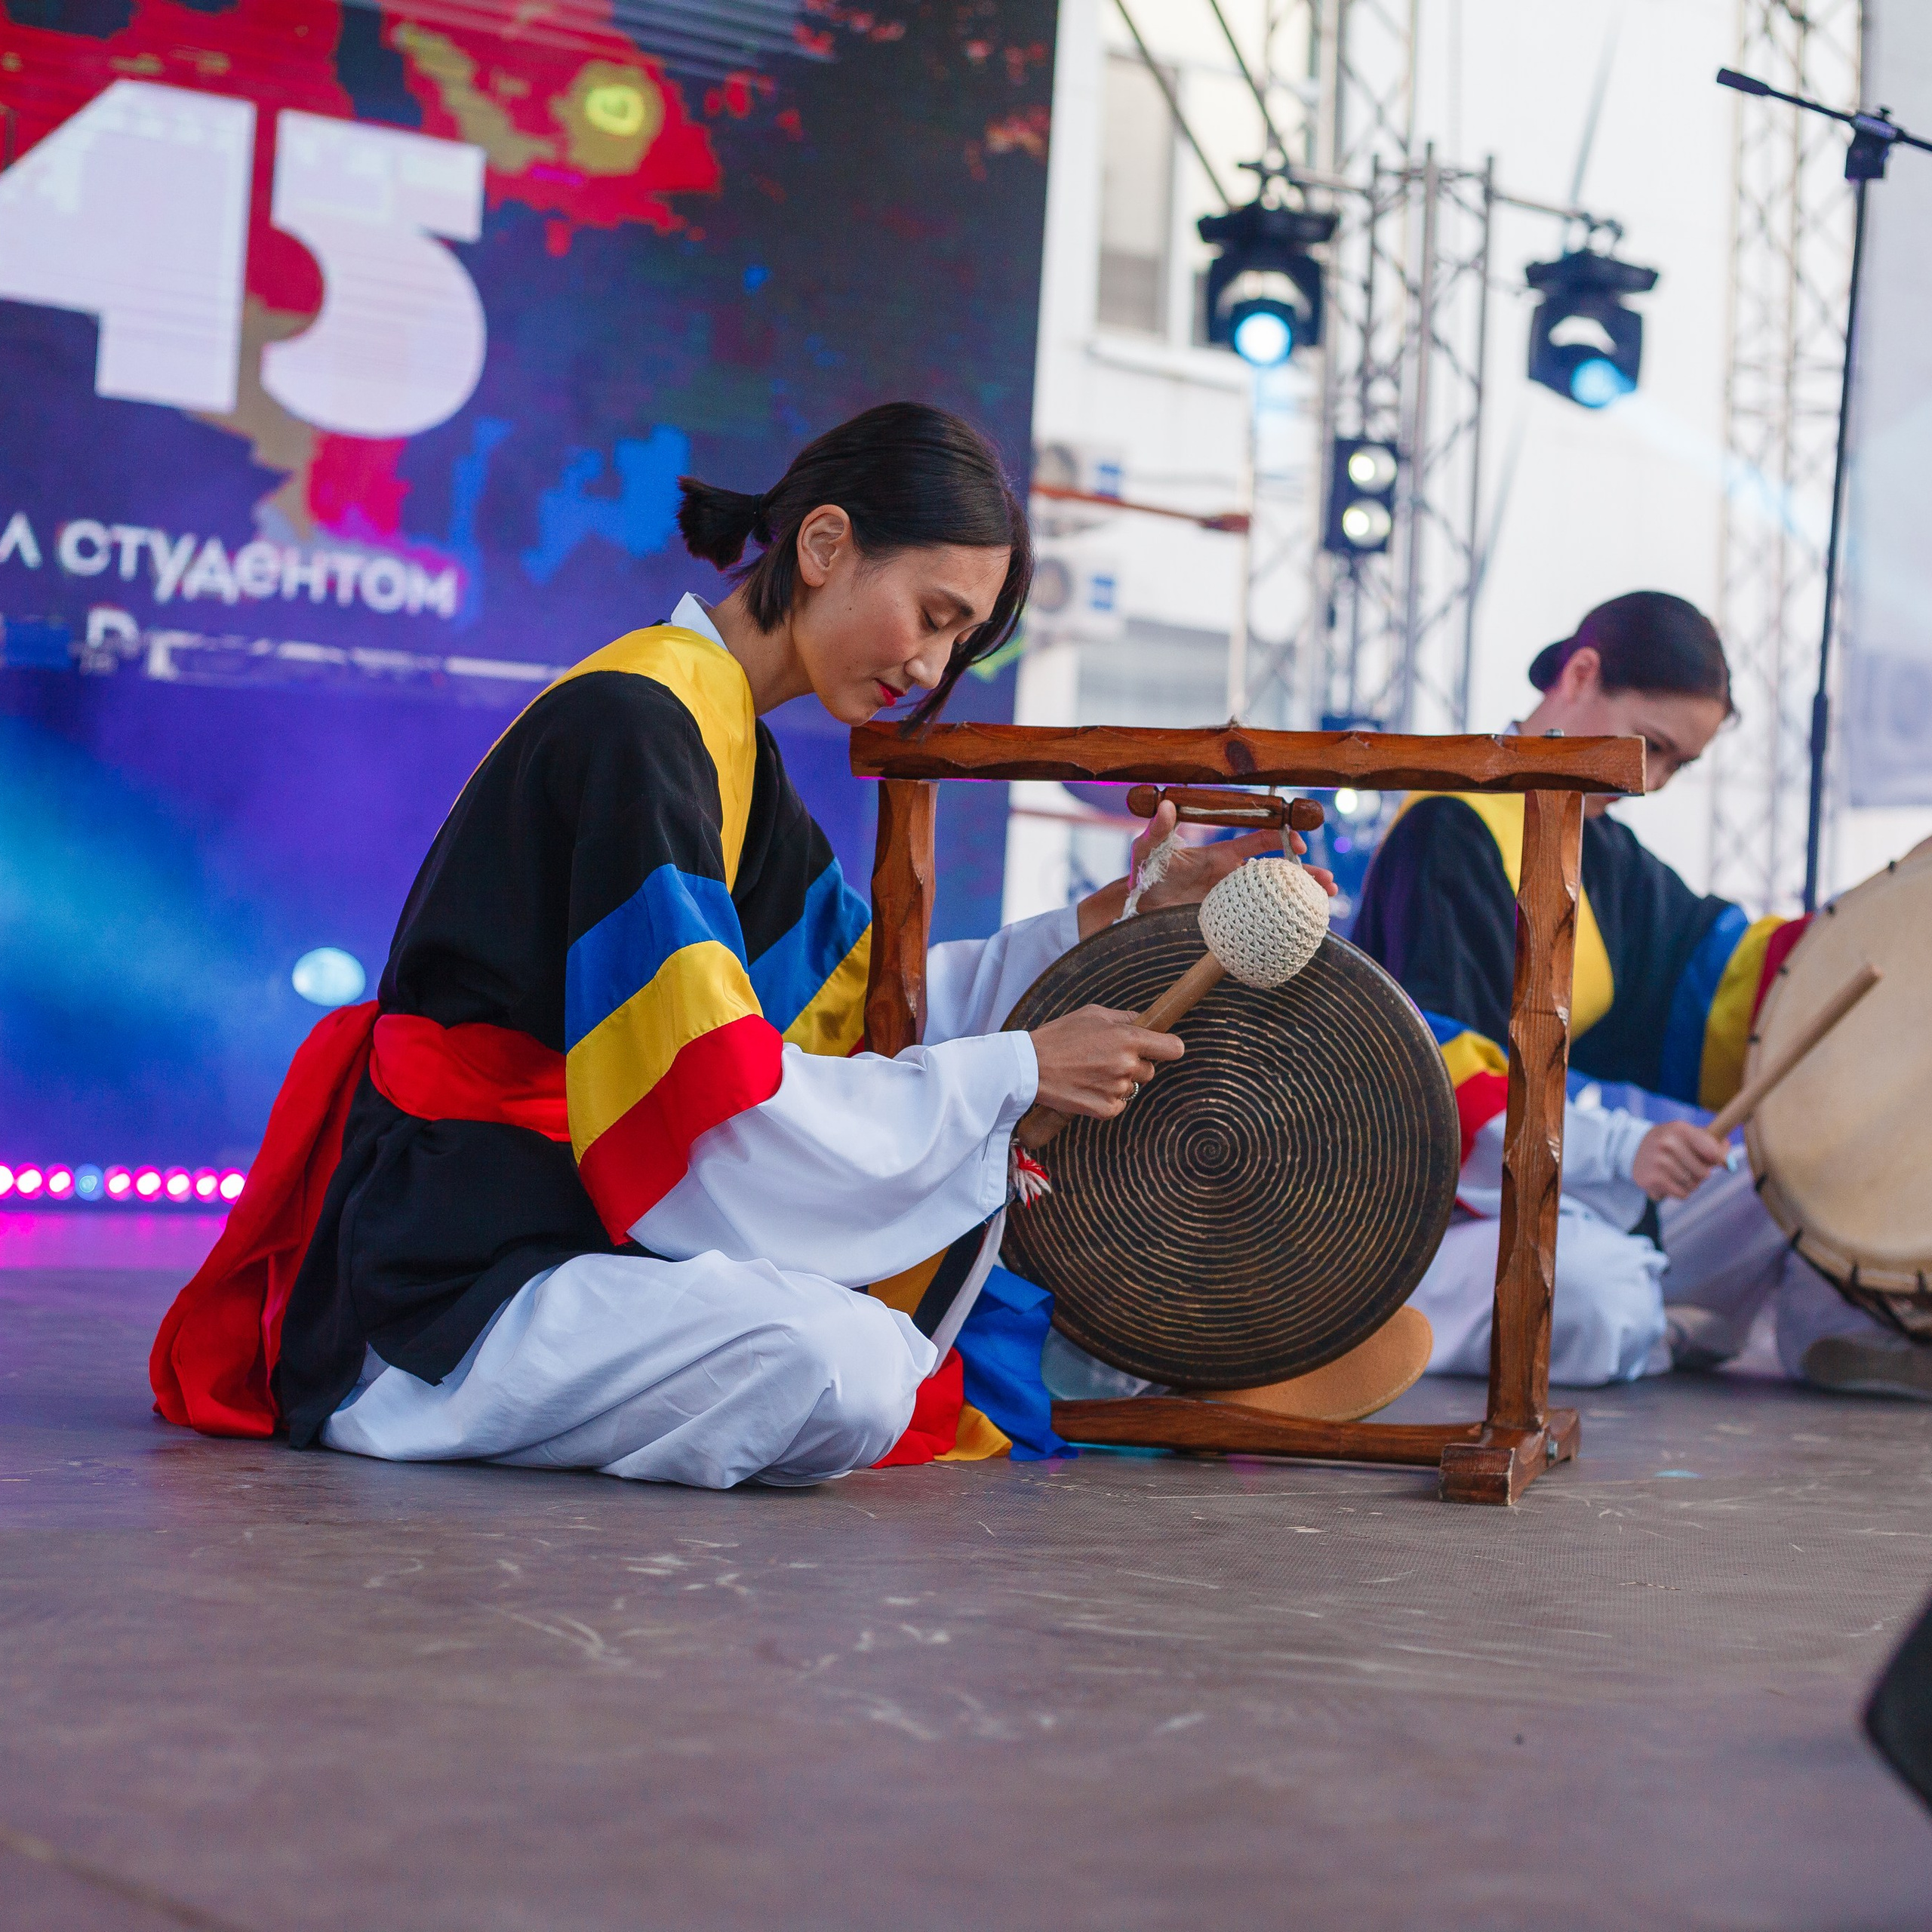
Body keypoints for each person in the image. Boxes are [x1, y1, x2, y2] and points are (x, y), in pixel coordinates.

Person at [150, 401, 1354, 1490]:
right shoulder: (640, 724)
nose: (931, 669)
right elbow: (707, 1097)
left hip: (572, 1225)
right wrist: (1020, 1071)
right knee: (843, 1364)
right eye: (932, 618)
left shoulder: (729, 750)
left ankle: (1119, 1372)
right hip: (458, 1264)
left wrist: (1128, 913)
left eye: (960, 645)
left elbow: (864, 1009)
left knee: (873, 1351)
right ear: (824, 546)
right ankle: (404, 1397)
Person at [1354, 590, 1928, 1398]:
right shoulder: (1450, 828)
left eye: (1676, 766)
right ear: (1581, 674)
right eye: (1651, 746)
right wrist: (1621, 1153)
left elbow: (1736, 979)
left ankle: (1824, 1331)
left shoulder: (1605, 852)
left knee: (1800, 1173)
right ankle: (1665, 1322)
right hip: (1437, 1218)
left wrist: (1892, 929)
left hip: (1568, 1189)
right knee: (1593, 1293)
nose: (1651, 782)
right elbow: (1428, 1084)